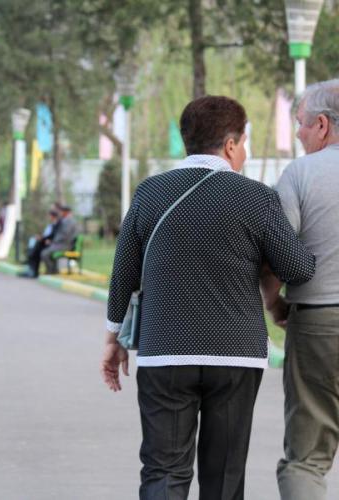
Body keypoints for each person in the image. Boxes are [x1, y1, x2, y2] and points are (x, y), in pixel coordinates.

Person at [101, 95, 316, 500]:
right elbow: (298, 269)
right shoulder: (257, 198)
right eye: (245, 143)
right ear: (231, 145)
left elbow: (123, 273)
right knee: (224, 476)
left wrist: (114, 340)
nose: (245, 152)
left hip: (164, 352)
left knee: (163, 471)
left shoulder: (150, 192)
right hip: (235, 356)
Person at [261, 79, 339, 500]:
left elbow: (275, 250)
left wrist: (274, 302)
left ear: (322, 125)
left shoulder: (301, 174)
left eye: (302, 123)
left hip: (319, 323)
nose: (297, 133)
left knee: (306, 458)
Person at [20, 209, 61, 278]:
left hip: (50, 244)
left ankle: (33, 271)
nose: (49, 217)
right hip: (45, 242)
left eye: (50, 216)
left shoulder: (57, 225)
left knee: (36, 251)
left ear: (53, 216)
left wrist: (44, 239)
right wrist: (42, 238)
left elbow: (53, 236)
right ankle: (31, 270)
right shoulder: (52, 224)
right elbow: (48, 235)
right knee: (33, 249)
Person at [40, 205, 77, 274]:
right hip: (60, 244)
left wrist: (53, 241)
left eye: (62, 211)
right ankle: (54, 270)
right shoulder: (64, 220)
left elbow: (65, 235)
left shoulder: (69, 221)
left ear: (66, 212)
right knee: (46, 252)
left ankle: (50, 271)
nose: (61, 213)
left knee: (44, 253)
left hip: (65, 245)